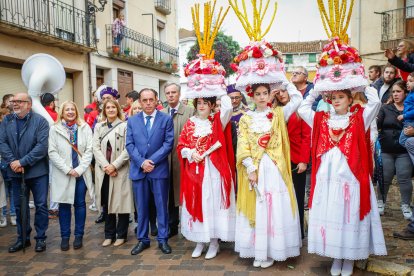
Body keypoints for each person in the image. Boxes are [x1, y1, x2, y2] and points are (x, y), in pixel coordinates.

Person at [177, 93, 235, 260]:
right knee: (198, 203)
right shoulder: (190, 123)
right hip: (194, 170)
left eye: (205, 103)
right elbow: (181, 145)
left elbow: (228, 107)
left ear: (211, 105)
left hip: (213, 170)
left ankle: (214, 242)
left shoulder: (217, 121)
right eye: (199, 103)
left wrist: (218, 89)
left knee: (212, 204)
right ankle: (200, 240)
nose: (201, 106)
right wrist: (190, 153)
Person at [0, 92, 50, 253]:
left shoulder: (40, 121)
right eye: (13, 101)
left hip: (37, 172)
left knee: (41, 205)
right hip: (15, 172)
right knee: (20, 206)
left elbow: (42, 147)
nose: (15, 104)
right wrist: (13, 162)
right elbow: (2, 142)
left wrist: (23, 162)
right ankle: (23, 238)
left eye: (19, 101)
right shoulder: (7, 121)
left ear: (28, 104)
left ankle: (40, 239)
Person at [126, 88, 174, 255]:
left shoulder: (166, 119)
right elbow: (129, 145)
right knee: (142, 208)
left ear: (156, 100)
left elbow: (168, 143)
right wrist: (141, 162)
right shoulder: (132, 121)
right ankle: (143, 240)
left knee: (161, 206)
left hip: (158, 170)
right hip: (139, 171)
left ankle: (162, 239)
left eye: (150, 100)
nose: (147, 103)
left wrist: (151, 161)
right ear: (139, 101)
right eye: (144, 100)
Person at [48, 101, 93, 251]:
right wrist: (67, 169)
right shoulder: (54, 129)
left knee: (80, 204)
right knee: (64, 205)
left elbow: (89, 150)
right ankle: (65, 237)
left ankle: (78, 236)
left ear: (76, 111)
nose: (70, 112)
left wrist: (79, 169)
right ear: (62, 112)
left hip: (80, 173)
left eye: (72, 109)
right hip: (63, 173)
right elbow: (52, 152)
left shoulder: (84, 127)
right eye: (67, 110)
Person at [93, 100, 133, 247]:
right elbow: (95, 148)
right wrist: (106, 166)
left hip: (120, 170)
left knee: (121, 202)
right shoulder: (98, 127)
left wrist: (114, 165)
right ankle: (109, 235)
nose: (110, 110)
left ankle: (121, 235)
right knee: (107, 203)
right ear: (104, 110)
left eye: (113, 107)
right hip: (104, 171)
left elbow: (128, 148)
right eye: (107, 107)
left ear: (117, 109)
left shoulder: (125, 126)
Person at [274, 84, 311, 239]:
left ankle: (298, 233)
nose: (281, 94)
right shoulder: (274, 111)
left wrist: (303, 160)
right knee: (281, 198)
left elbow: (306, 137)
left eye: (284, 91)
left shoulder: (300, 111)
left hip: (296, 160)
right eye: (278, 92)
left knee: (297, 196)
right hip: (277, 160)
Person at [376, 80, 413, 219]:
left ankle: (405, 205)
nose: (396, 94)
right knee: (384, 178)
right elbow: (377, 124)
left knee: (404, 178)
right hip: (386, 150)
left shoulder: (411, 109)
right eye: (394, 92)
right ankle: (380, 202)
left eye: (399, 91)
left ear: (406, 92)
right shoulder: (385, 108)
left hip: (403, 151)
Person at [161, 83, 194, 238]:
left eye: (174, 92)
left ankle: (191, 225)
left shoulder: (190, 111)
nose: (171, 95)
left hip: (184, 161)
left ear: (179, 94)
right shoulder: (161, 113)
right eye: (168, 93)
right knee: (169, 195)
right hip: (165, 161)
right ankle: (172, 225)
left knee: (187, 194)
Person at [40, 92, 59, 219]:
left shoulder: (38, 114)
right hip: (53, 151)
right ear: (52, 103)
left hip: (40, 151)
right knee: (54, 179)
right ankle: (54, 208)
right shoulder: (55, 115)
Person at [0, 94, 16, 227]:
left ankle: (13, 214)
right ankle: (3, 215)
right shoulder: (3, 119)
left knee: (12, 190)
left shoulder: (17, 118)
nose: (12, 103)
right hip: (3, 161)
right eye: (9, 101)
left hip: (14, 161)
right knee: (3, 191)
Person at [399, 72, 414, 149]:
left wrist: (404, 115)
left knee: (402, 141)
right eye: (407, 81)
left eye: (411, 81)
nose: (408, 83)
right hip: (408, 121)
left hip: (411, 121)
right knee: (403, 141)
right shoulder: (410, 93)